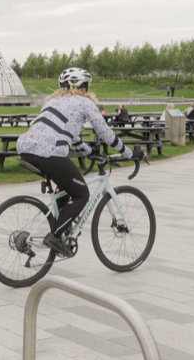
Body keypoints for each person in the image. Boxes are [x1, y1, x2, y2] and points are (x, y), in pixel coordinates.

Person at [16, 68, 140, 257]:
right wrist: (129, 153)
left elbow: (69, 135)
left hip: (25, 149)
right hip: (49, 152)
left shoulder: (52, 102)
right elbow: (106, 133)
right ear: (83, 86)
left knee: (67, 187)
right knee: (82, 193)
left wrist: (89, 151)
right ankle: (55, 235)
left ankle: (61, 230)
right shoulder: (84, 103)